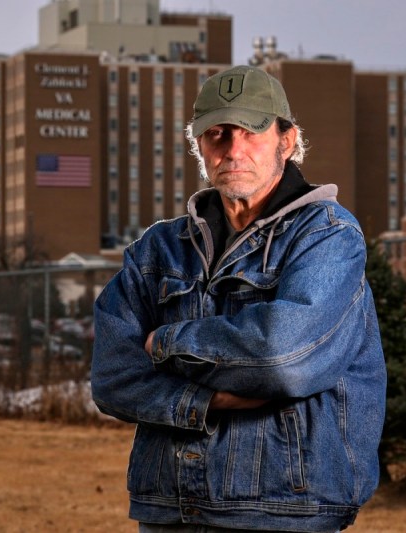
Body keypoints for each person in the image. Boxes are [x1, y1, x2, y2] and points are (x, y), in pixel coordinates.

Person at [92, 65, 387, 533]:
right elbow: (111, 376)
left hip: (283, 509)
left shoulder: (327, 236)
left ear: (286, 141)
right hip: (170, 507)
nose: (233, 150)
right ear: (200, 146)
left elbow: (282, 357)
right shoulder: (158, 250)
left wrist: (165, 344)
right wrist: (208, 402)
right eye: (217, 134)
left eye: (251, 131)